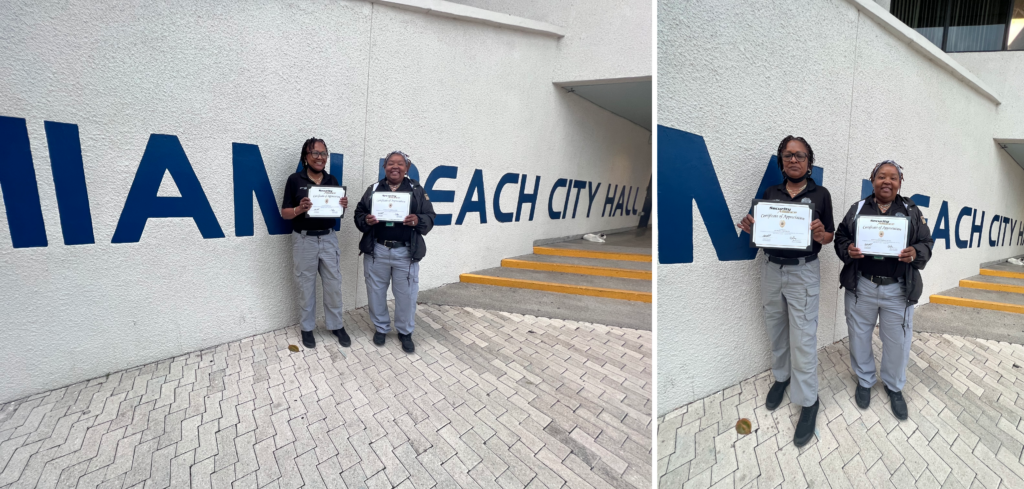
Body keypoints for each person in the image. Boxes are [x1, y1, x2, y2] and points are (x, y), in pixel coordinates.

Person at [737, 136, 834, 447]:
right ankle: (782, 378)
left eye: (801, 155)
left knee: (803, 336)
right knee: (775, 328)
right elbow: (763, 231)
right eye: (789, 155)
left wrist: (822, 234)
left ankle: (808, 401)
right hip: (771, 268)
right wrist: (752, 227)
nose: (794, 160)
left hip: (804, 271)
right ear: (781, 161)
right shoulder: (770, 193)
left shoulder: (821, 194)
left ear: (809, 162)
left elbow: (829, 235)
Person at [834, 160, 933, 420]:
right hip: (862, 286)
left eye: (893, 177)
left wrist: (916, 252)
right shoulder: (857, 209)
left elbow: (926, 242)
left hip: (898, 289)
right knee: (858, 336)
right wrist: (848, 250)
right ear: (872, 179)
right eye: (881, 176)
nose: (886, 181)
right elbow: (841, 236)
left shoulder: (911, 210)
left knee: (897, 342)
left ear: (900, 183)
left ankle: (893, 386)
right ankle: (865, 380)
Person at [353, 151, 436, 353]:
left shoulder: (416, 190)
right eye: (391, 163)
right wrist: (366, 220)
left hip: (405, 252)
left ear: (407, 167)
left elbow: (430, 216)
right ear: (384, 167)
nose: (395, 167)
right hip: (377, 250)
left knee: (406, 294)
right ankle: (381, 328)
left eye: (400, 163)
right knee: (375, 292)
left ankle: (405, 332)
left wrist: (417, 220)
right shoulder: (373, 189)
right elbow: (359, 212)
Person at [281, 137, 349, 349]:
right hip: (304, 240)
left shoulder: (332, 181)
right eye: (315, 153)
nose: (320, 158)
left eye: (323, 153)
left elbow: (337, 212)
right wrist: (299, 209)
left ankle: (336, 325)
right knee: (305, 285)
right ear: (305, 157)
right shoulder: (295, 180)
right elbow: (284, 214)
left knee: (333, 284)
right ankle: (307, 328)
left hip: (328, 238)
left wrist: (342, 206)